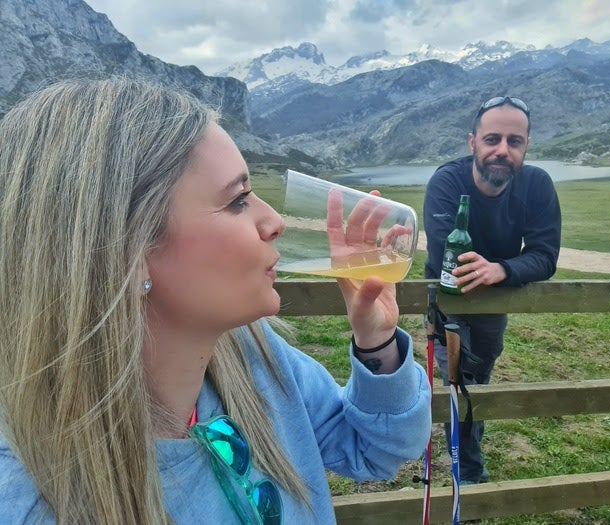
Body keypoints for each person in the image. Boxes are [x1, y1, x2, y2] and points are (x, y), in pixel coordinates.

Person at [0, 78, 432, 524]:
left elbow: (374, 451)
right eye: (239, 200)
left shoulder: (253, 355)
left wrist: (376, 341)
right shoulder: (30, 503)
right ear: (125, 253)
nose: (275, 220)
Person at [423, 96, 561, 485]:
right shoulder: (447, 182)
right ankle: (469, 473)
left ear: (526, 146)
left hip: (494, 303)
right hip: (447, 301)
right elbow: (446, 252)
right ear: (473, 143)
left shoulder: (536, 185)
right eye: (492, 139)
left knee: (477, 382)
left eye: (514, 141)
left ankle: (465, 457)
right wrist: (498, 267)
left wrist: (501, 268)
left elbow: (545, 255)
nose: (502, 150)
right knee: (458, 384)